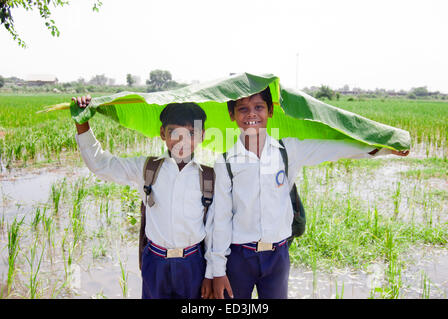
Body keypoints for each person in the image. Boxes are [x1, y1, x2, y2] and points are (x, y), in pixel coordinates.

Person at [211, 87, 409, 299]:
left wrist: (384, 147)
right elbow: (221, 218)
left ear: (270, 111)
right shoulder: (225, 162)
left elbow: (335, 148)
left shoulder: (288, 150)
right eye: (243, 108)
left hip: (277, 256)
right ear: (232, 115)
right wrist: (218, 270)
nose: (251, 114)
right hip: (239, 257)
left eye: (259, 107)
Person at [72, 95, 214, 299]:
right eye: (175, 132)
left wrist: (211, 273)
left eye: (191, 133)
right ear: (162, 133)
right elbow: (101, 165)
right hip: (155, 261)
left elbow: (215, 230)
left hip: (193, 262)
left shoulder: (208, 176)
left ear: (202, 136)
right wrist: (82, 124)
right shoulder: (146, 167)